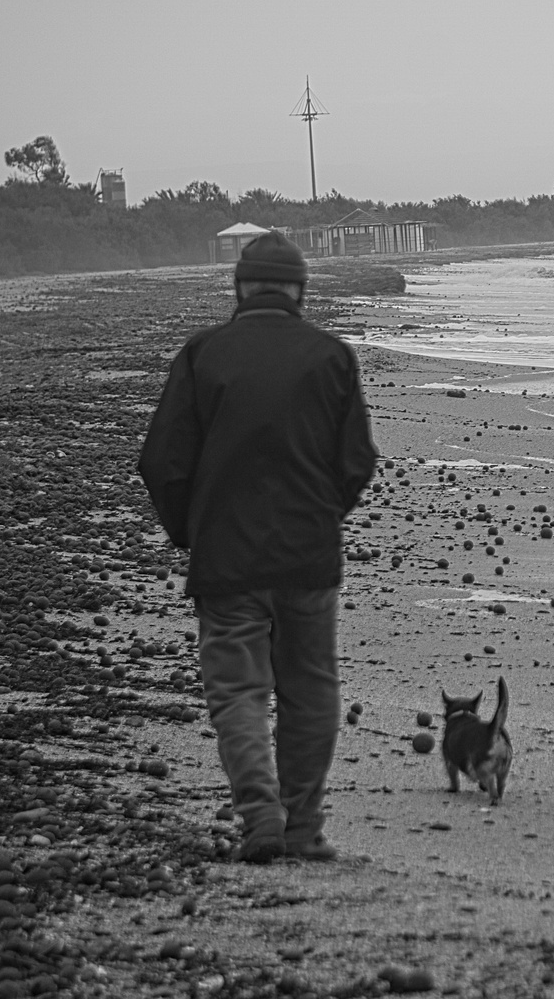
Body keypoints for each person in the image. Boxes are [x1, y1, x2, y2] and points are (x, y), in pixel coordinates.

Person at [139, 231, 377, 863]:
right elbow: (355, 463)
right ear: (299, 290)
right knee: (310, 689)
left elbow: (162, 462)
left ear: (240, 287)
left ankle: (259, 816)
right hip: (308, 560)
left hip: (227, 563)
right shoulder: (331, 356)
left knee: (238, 692)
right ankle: (302, 827)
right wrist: (323, 517)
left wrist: (192, 533)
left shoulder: (203, 355)